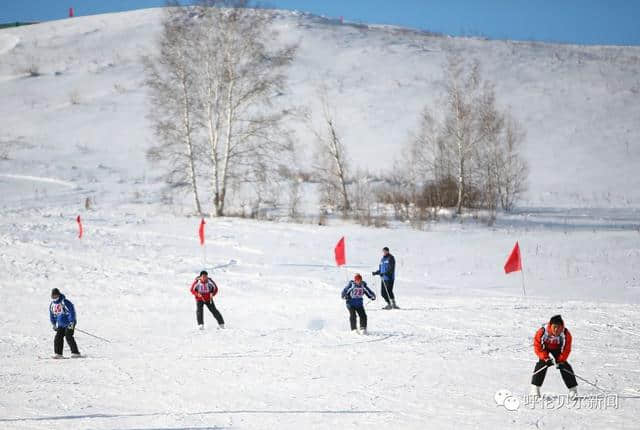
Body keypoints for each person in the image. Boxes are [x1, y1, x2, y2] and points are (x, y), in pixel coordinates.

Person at [530, 315, 578, 398]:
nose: (556, 330)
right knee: (542, 364)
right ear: (550, 325)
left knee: (564, 365)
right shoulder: (542, 331)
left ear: (562, 327)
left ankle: (573, 389)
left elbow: (566, 349)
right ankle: (535, 389)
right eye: (554, 327)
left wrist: (561, 360)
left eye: (559, 327)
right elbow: (538, 347)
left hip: (557, 348)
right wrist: (546, 358)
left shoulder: (566, 334)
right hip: (544, 348)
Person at [49, 288, 81, 358]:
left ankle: (75, 353)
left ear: (59, 295)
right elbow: (52, 315)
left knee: (68, 336)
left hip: (70, 323)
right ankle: (58, 353)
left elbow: (71, 312)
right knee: (58, 337)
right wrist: (54, 324)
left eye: (56, 296)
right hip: (61, 325)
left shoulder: (64, 302)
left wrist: (71, 321)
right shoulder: (52, 304)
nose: (54, 298)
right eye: (53, 296)